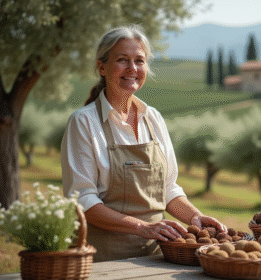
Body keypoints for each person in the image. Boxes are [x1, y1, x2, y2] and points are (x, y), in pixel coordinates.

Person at [61, 25, 227, 262]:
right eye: (122, 60)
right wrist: (141, 227)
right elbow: (84, 202)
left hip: (157, 257)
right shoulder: (84, 122)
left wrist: (195, 217)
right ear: (102, 67)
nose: (132, 69)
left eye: (139, 61)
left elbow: (168, 189)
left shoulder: (153, 118)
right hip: (104, 259)